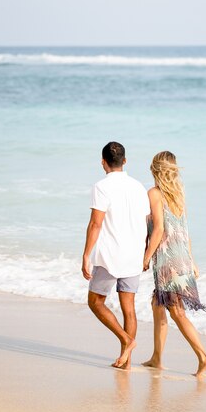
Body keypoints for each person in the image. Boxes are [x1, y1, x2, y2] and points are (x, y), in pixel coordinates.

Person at [142, 151, 206, 376]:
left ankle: (204, 358)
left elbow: (160, 229)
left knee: (177, 312)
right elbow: (185, 231)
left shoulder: (154, 194)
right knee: (158, 305)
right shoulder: (178, 195)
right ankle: (156, 357)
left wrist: (145, 256)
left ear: (154, 169)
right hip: (182, 258)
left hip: (168, 261)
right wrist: (192, 261)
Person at [81, 141, 149, 369]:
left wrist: (86, 255)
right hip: (134, 255)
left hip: (111, 256)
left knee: (95, 301)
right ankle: (126, 362)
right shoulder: (139, 187)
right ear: (125, 161)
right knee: (128, 308)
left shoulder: (101, 186)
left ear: (103, 163)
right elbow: (147, 222)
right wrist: (146, 253)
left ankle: (126, 340)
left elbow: (95, 224)